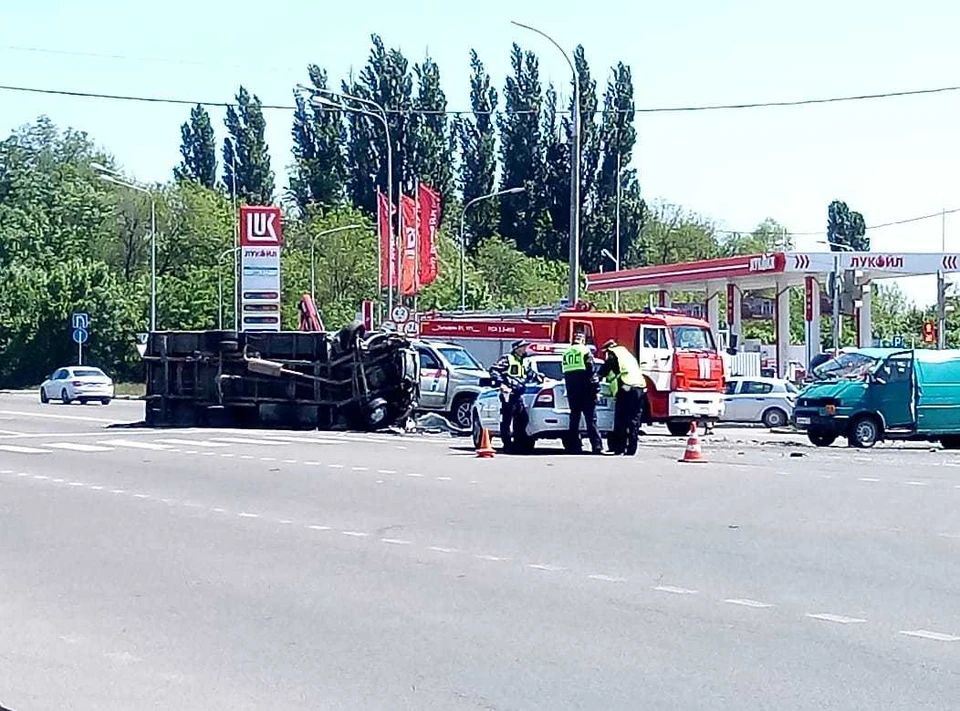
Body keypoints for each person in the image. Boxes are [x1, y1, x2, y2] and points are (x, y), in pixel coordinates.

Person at [597, 338, 646, 456]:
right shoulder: (627, 354)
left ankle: (620, 448)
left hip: (627, 387)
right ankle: (632, 449)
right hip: (640, 387)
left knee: (621, 419)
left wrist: (596, 378)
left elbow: (604, 370)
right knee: (634, 420)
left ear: (608, 349)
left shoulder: (614, 355)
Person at [490, 340, 538, 451]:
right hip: (509, 393)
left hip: (518, 394)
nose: (525, 349)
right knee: (507, 420)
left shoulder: (524, 361)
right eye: (523, 347)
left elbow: (531, 374)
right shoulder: (507, 359)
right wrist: (502, 384)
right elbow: (494, 370)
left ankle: (518, 443)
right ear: (517, 349)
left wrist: (543, 378)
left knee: (522, 419)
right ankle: (507, 444)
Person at [561, 332, 603, 454]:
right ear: (583, 341)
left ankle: (573, 446)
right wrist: (596, 390)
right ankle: (597, 447)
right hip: (586, 391)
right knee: (591, 420)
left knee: (574, 419)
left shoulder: (566, 353)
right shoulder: (584, 350)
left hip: (572, 391)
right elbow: (591, 373)